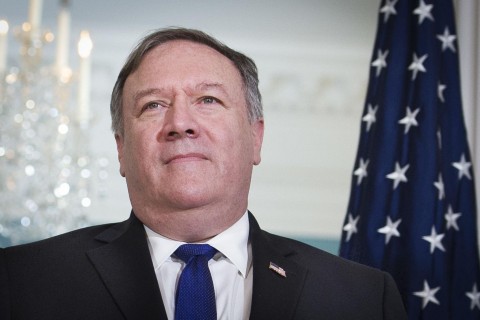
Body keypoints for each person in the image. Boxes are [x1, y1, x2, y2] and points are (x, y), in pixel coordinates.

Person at [0, 27, 407, 319]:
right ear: (121, 150)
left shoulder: (364, 298)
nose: (181, 123)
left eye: (208, 99)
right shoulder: (19, 282)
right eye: (153, 105)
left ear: (255, 138)